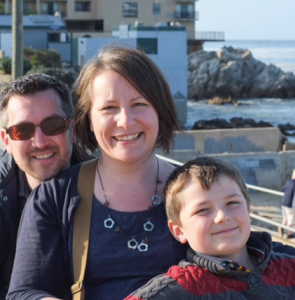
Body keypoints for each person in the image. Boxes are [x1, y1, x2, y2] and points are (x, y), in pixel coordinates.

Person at [7, 47, 188, 300]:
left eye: (139, 104)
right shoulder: (53, 199)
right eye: (109, 108)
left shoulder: (196, 189)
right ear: (89, 120)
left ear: (160, 111)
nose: (125, 121)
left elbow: (238, 267)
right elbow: (24, 293)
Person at [126, 157, 295, 299]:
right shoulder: (177, 290)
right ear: (179, 231)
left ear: (248, 210)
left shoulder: (292, 269)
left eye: (232, 203)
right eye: (203, 210)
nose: (222, 217)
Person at [0, 73, 90, 299]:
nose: (40, 142)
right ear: (6, 140)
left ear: (74, 130)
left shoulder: (107, 188)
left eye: (53, 125)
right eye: (23, 131)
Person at [281, 167, 295, 238]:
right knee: (291, 220)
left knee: (285, 218)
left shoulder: (288, 181)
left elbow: (283, 190)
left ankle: (281, 231)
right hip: (291, 204)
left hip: (284, 202)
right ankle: (289, 234)